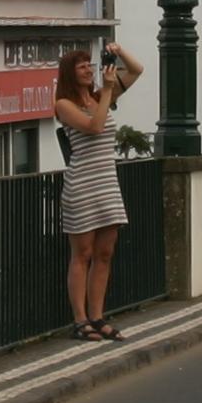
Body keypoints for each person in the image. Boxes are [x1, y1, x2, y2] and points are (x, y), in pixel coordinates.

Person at [52, 40, 143, 342]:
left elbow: (137, 69)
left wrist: (118, 52)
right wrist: (105, 91)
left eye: (89, 66)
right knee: (83, 253)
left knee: (105, 252)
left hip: (106, 182)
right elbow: (95, 127)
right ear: (70, 73)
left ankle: (98, 315)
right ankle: (79, 320)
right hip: (83, 184)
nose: (88, 70)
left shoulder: (99, 95)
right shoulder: (64, 105)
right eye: (82, 67)